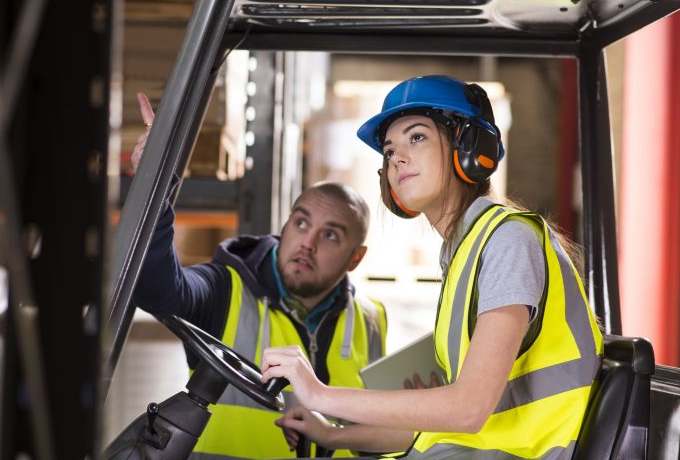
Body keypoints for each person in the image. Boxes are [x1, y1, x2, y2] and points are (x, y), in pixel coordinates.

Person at [261, 76, 604, 459]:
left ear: (470, 147)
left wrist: (321, 395)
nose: (398, 158)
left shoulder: (508, 241)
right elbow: (441, 426)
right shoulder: (465, 253)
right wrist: (334, 435)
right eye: (389, 151)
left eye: (417, 138)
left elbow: (469, 409)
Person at [130, 92, 387, 459]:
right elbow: (155, 289)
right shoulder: (225, 289)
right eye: (301, 223)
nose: (307, 243)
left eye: (330, 235)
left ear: (355, 258)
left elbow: (377, 432)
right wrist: (155, 187)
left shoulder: (371, 320)